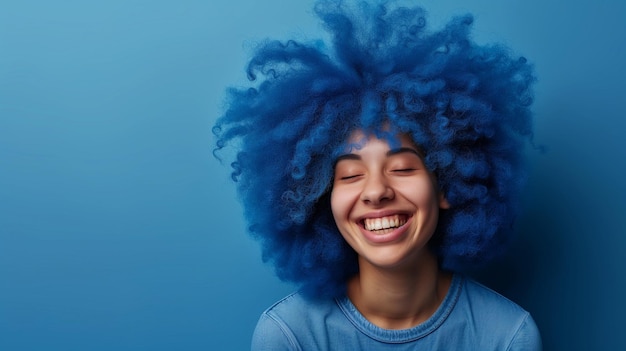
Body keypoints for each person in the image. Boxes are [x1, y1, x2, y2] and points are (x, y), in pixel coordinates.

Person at [213, 0, 541, 349]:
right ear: (321, 198)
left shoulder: (507, 337)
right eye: (350, 175)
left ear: (447, 185)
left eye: (401, 168)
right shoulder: (289, 336)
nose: (376, 191)